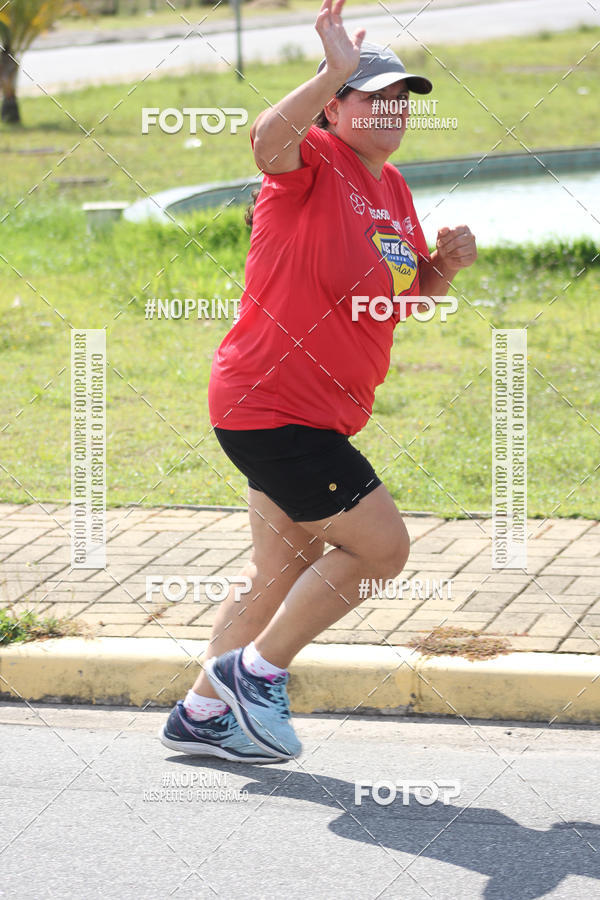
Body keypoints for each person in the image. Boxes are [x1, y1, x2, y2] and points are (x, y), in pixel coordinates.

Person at [160, 0, 476, 762]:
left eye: (403, 99)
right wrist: (330, 69)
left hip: (317, 414)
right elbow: (266, 142)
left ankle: (202, 714)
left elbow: (395, 303)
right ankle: (256, 674)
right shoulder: (310, 164)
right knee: (381, 549)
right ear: (336, 109)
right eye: (377, 96)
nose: (395, 109)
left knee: (278, 572)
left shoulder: (392, 188)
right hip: (272, 406)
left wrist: (439, 270)